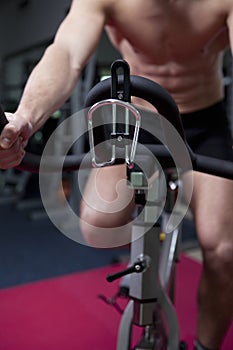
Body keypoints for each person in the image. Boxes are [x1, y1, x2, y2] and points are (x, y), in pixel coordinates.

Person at [0, 1, 233, 349]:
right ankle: (147, 245)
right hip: (137, 124)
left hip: (202, 124)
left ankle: (205, 345)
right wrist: (25, 120)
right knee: (98, 225)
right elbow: (66, 53)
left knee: (224, 251)